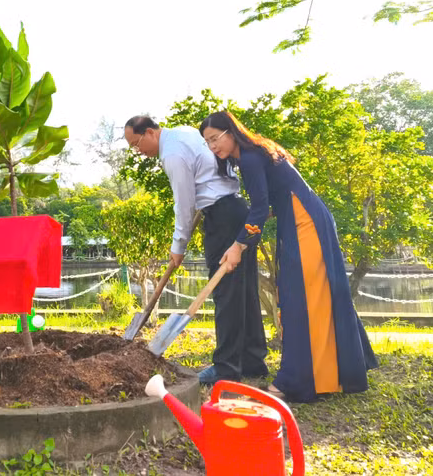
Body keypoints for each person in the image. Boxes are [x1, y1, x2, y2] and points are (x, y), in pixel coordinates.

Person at [199, 110, 378, 402]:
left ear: (231, 132)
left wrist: (237, 246)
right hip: (301, 219)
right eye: (207, 142)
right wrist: (246, 232)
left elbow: (259, 209)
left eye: (215, 138)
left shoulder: (251, 158)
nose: (212, 146)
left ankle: (295, 380)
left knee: (302, 298)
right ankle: (340, 370)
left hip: (303, 222)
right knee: (315, 293)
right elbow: (268, 204)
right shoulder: (252, 154)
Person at [124, 116, 268, 384]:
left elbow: (184, 202)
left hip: (222, 217)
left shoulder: (172, 153)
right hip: (237, 210)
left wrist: (178, 246)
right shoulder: (186, 133)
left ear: (151, 132)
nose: (138, 151)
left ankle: (226, 367)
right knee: (244, 290)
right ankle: (252, 360)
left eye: (137, 143)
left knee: (226, 293)